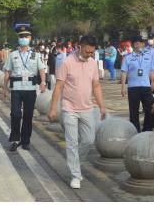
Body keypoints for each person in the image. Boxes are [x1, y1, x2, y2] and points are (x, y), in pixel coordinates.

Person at [48, 34, 107, 189]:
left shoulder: (92, 63)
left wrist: (101, 106)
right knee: (72, 142)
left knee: (88, 140)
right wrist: (53, 108)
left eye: (91, 52)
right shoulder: (66, 62)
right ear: (79, 47)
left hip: (87, 108)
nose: (89, 55)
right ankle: (75, 174)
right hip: (69, 108)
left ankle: (73, 162)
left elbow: (96, 86)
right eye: (87, 52)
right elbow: (58, 87)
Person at [2, 25, 47, 152]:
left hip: (30, 88)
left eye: (26, 36)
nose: (24, 38)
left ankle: (26, 140)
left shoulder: (36, 54)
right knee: (15, 114)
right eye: (21, 36)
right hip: (16, 88)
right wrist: (4, 88)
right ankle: (16, 139)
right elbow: (7, 72)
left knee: (28, 115)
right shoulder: (13, 54)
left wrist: (43, 82)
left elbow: (41, 69)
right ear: (18, 38)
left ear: (30, 38)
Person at [121, 35, 154, 133]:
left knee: (150, 109)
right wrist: (123, 87)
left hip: (146, 87)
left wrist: (153, 83)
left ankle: (147, 129)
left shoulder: (148, 57)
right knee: (134, 111)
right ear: (135, 45)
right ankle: (135, 131)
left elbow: (151, 71)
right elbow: (124, 72)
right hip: (133, 87)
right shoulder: (128, 58)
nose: (144, 44)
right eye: (141, 43)